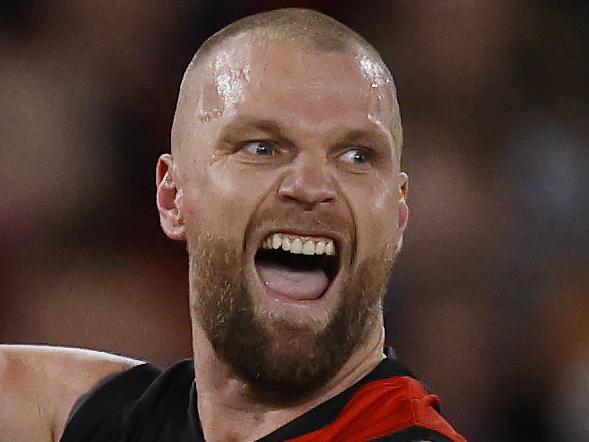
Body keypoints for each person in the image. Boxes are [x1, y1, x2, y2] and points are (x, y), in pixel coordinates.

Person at [0, 8, 466, 442]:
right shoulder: (117, 417)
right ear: (172, 196)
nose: (309, 185)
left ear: (399, 211)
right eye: (262, 148)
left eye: (356, 156)